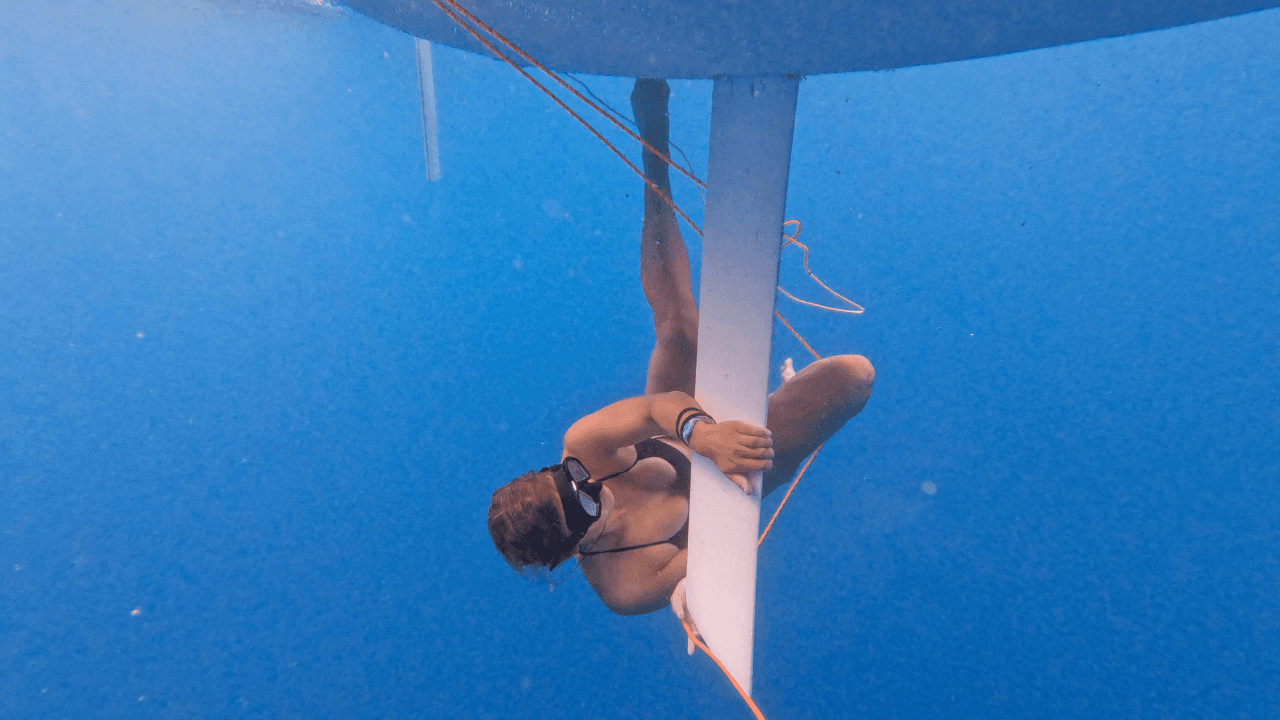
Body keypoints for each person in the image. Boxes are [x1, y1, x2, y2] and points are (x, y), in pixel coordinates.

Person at [487, 79, 874, 618]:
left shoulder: (583, 447)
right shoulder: (625, 582)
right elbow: (716, 561)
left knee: (678, 330)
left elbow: (651, 409)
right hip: (741, 474)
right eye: (585, 503)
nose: (591, 483)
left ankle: (655, 156)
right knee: (856, 378)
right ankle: (781, 400)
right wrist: (695, 595)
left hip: (695, 427)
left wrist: (705, 433)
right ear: (572, 548)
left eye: (569, 478)